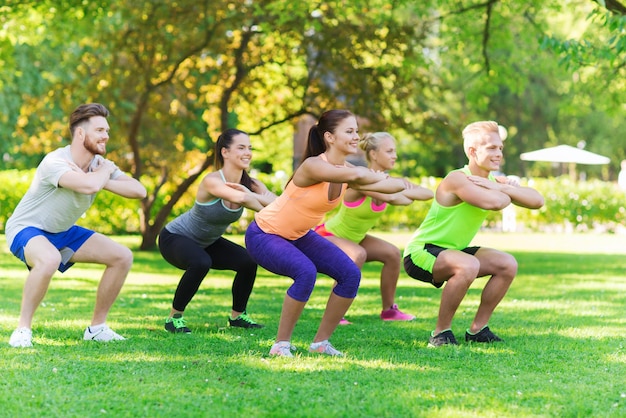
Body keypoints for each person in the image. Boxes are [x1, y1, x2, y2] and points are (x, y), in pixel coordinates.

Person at [244, 110, 405, 357]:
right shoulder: (314, 166)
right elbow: (362, 177)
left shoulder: (346, 170)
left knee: (350, 274)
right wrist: (375, 177)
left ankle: (320, 343)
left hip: (299, 235)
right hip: (265, 233)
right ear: (329, 137)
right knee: (305, 272)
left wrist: (386, 180)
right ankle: (281, 344)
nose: (356, 137)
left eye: (356, 131)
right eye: (349, 131)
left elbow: (392, 186)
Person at [5, 103, 147, 348]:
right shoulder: (55, 161)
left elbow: (139, 190)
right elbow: (87, 187)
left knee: (122, 256)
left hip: (62, 231)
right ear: (81, 134)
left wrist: (101, 176)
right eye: (100, 130)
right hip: (26, 228)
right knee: (48, 259)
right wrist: (99, 176)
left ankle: (97, 328)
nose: (106, 136)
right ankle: (22, 330)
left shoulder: (100, 166)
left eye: (107, 131)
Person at [403, 121, 544, 347]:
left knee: (507, 264)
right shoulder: (458, 179)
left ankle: (478, 330)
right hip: (422, 251)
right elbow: (495, 203)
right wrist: (505, 188)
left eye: (500, 148)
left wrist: (502, 186)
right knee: (468, 265)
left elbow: (537, 200)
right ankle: (440, 334)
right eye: (491, 148)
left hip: (454, 251)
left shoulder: (492, 181)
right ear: (472, 151)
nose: (498, 153)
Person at [158, 128, 276, 333]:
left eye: (250, 148)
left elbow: (277, 203)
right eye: (241, 147)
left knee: (248, 261)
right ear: (225, 152)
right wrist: (260, 202)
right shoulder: (212, 181)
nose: (247, 152)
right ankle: (173, 318)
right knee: (201, 261)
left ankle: (238, 316)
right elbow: (241, 198)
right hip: (175, 237)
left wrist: (256, 196)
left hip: (207, 241)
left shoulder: (252, 184)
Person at [314, 132, 433, 323]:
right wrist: (400, 187)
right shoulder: (360, 181)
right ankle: (336, 312)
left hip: (356, 238)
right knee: (357, 254)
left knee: (392, 254)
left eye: (395, 151)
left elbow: (427, 193)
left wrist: (396, 184)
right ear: (374, 155)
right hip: (328, 235)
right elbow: (395, 198)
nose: (394, 155)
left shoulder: (390, 181)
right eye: (389, 151)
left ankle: (389, 311)